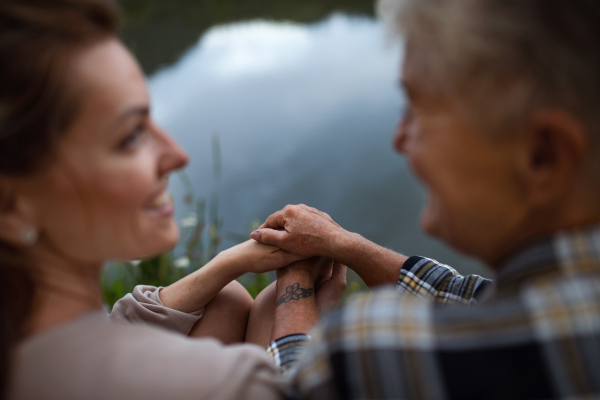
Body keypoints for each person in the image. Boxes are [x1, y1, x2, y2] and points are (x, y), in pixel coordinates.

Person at [250, 0, 600, 398]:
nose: (399, 139)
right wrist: (342, 245)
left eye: (416, 108)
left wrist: (294, 282)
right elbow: (474, 295)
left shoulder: (373, 354)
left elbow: (297, 387)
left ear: (543, 156)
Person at [0, 1, 347, 399]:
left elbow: (115, 326)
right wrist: (297, 292)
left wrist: (230, 262)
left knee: (227, 296)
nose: (177, 155)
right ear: (12, 206)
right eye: (130, 136)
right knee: (270, 305)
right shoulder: (215, 385)